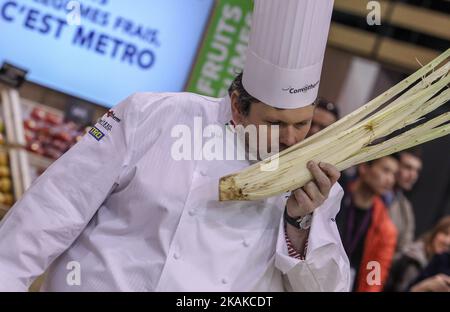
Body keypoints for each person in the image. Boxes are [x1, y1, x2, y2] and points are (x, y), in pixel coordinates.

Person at [0, 0, 350, 291]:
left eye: (301, 124)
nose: (290, 140)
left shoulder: (314, 184)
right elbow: (57, 206)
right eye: (274, 123)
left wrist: (300, 224)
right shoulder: (152, 114)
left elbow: (327, 288)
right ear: (236, 105)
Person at [337, 156, 399, 292]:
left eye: (394, 174)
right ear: (364, 167)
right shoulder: (334, 197)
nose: (390, 180)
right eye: (385, 170)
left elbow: (376, 274)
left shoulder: (385, 228)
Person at [385, 216, 450, 292]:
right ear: (435, 233)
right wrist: (426, 286)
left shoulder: (440, 263)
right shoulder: (413, 260)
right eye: (445, 233)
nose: (447, 241)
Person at [385, 149, 423, 257]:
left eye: (417, 171)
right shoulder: (371, 191)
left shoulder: (406, 208)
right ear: (394, 165)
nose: (413, 175)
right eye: (408, 167)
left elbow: (404, 247)